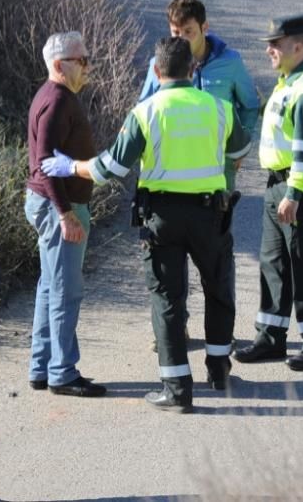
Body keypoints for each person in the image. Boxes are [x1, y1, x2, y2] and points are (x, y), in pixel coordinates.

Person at [43, 37, 251, 413]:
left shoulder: (146, 112)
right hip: (211, 214)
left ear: (157, 72)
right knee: (218, 290)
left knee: (168, 299)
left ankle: (176, 389)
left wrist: (70, 167)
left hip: (162, 218)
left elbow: (110, 169)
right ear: (193, 70)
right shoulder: (220, 109)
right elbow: (239, 150)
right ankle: (219, 371)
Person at [233, 14, 303, 371]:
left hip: (300, 187)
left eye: (275, 44)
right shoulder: (287, 82)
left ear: (297, 46)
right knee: (273, 263)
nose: (268, 50)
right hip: (278, 184)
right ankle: (271, 337)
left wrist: (293, 192)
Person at [25, 31, 106, 397]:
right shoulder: (57, 101)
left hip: (53, 204)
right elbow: (46, 164)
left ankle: (42, 367)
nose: (87, 66)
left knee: (50, 286)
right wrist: (65, 214)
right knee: (64, 291)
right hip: (60, 207)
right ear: (59, 65)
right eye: (82, 60)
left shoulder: (57, 96)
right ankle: (62, 372)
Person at [139, 0, 260, 191]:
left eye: (189, 32)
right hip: (173, 163)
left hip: (220, 163)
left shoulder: (231, 62)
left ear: (205, 28)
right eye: (175, 32)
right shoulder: (158, 64)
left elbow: (250, 105)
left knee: (219, 219)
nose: (181, 39)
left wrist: (239, 148)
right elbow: (143, 109)